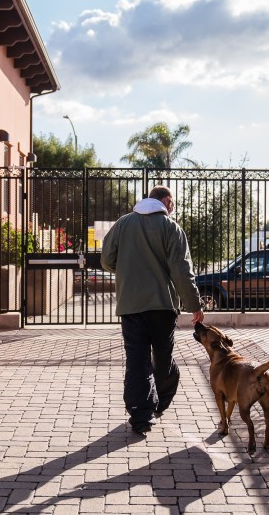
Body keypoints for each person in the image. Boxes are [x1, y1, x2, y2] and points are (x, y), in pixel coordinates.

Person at [101, 185, 204, 436]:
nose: (173, 207)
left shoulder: (123, 224)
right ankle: (160, 402)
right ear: (166, 200)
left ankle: (141, 415)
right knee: (163, 358)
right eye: (173, 202)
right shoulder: (171, 228)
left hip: (131, 306)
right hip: (163, 307)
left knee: (137, 361)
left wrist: (127, 270)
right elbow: (181, 271)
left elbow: (106, 260)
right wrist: (195, 305)